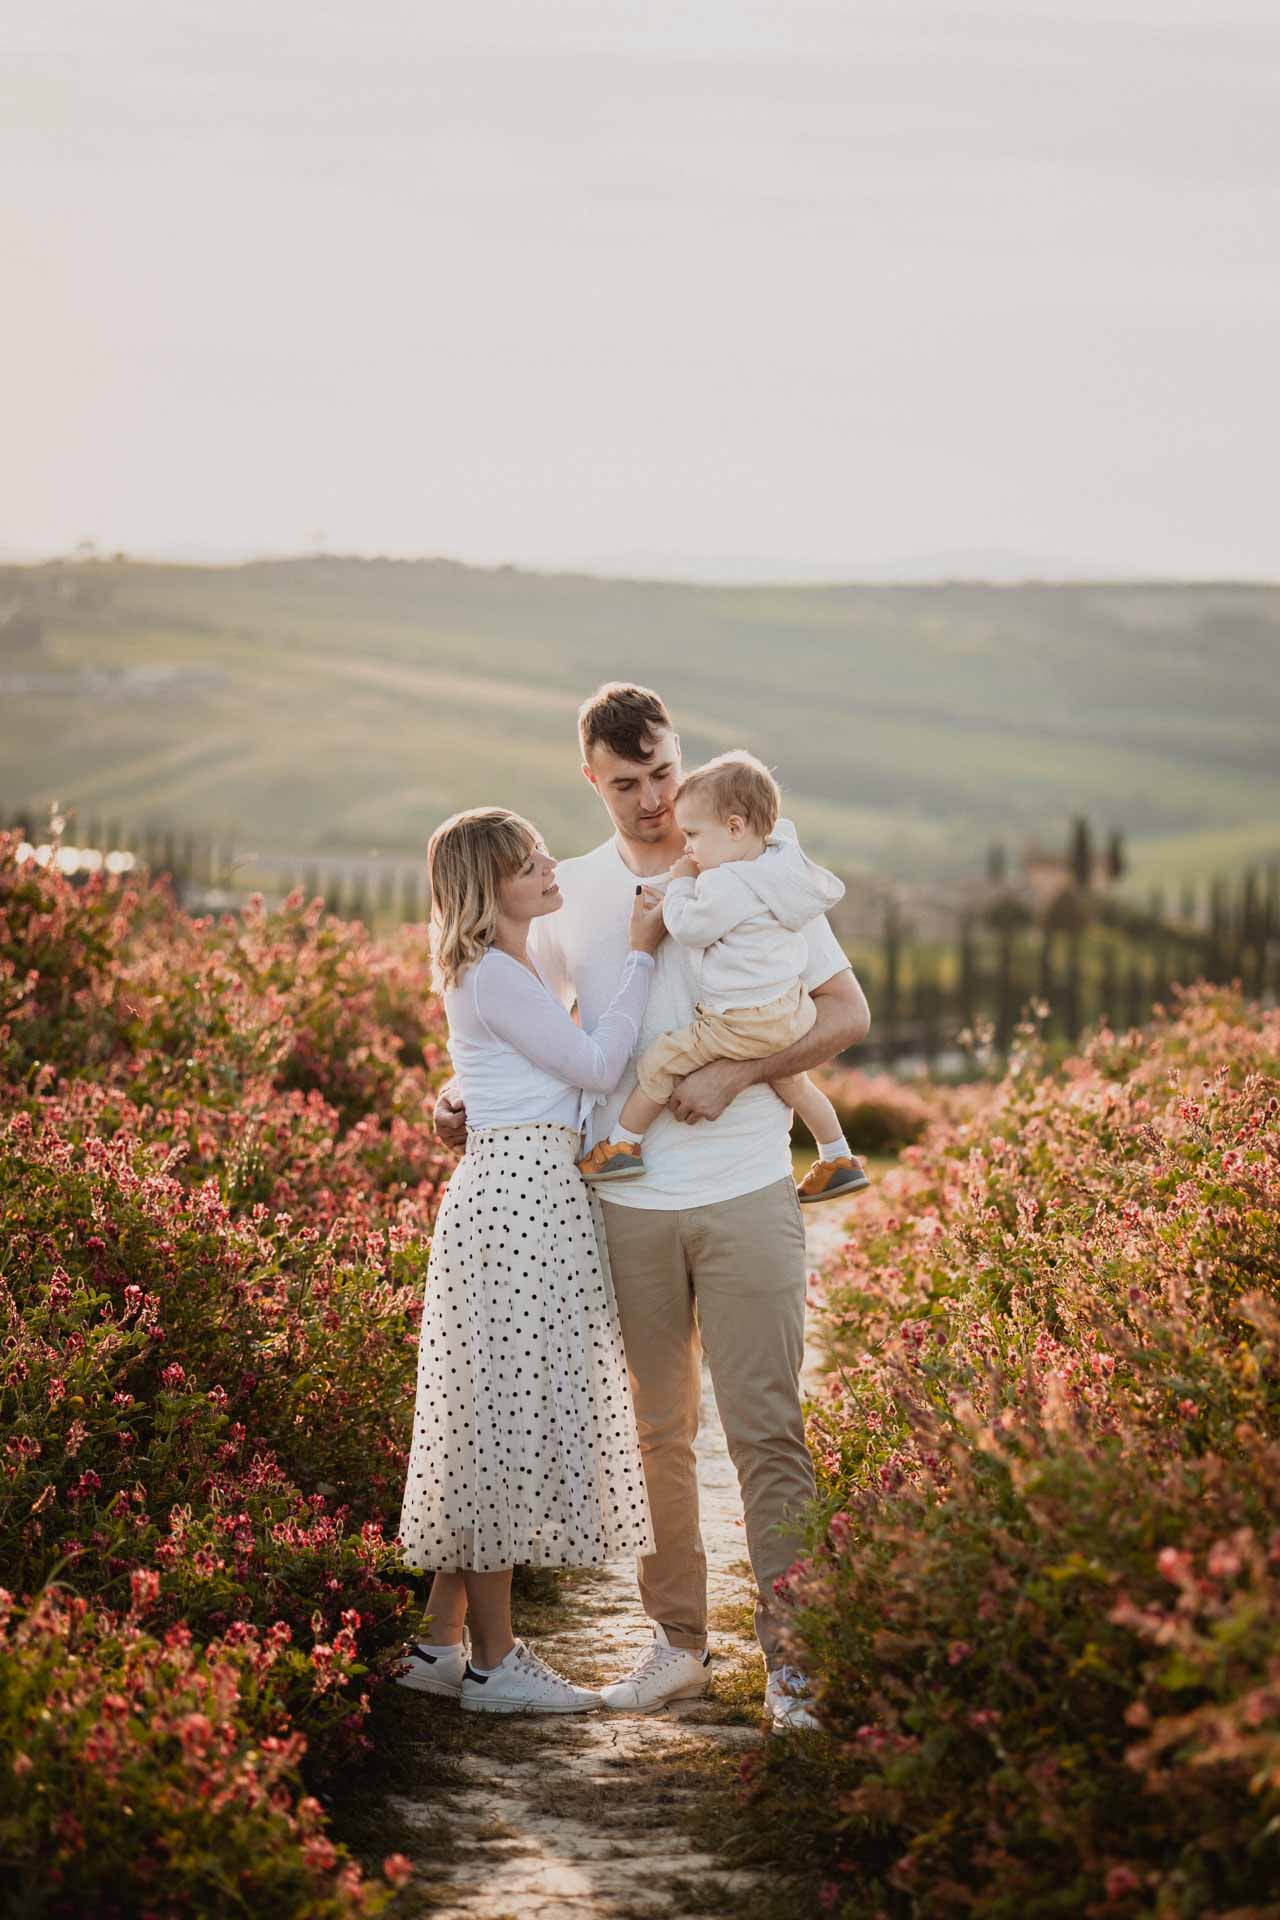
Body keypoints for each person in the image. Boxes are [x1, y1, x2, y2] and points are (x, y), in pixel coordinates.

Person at [435, 686, 871, 1731]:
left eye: (663, 774)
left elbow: (844, 1012)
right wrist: (455, 1094)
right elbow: (512, 1017)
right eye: (625, 783)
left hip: (746, 1187)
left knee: (767, 1428)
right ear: (592, 780)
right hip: (622, 1201)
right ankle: (677, 1647)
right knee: (656, 1435)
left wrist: (737, 1076)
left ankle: (794, 1663)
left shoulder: (754, 868)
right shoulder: (568, 894)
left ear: (682, 760)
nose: (650, 800)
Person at [396, 805, 666, 1715]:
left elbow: (504, 1071)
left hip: (523, 1197)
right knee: (499, 1422)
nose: (549, 866)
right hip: (517, 1204)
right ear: (489, 887)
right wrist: (638, 956)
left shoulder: (502, 971)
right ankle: (496, 1663)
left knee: (491, 1412)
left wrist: (455, 1092)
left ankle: (439, 1646)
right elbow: (593, 1064)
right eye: (527, 862)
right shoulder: (495, 976)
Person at [576, 748, 870, 1206]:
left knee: (659, 1061)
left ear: (734, 828)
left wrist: (680, 883)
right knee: (794, 1082)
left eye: (693, 835)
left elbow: (692, 928)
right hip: (789, 1013)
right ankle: (838, 1155)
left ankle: (622, 1145)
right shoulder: (779, 873)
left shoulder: (727, 881)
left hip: (739, 1021)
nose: (688, 846)